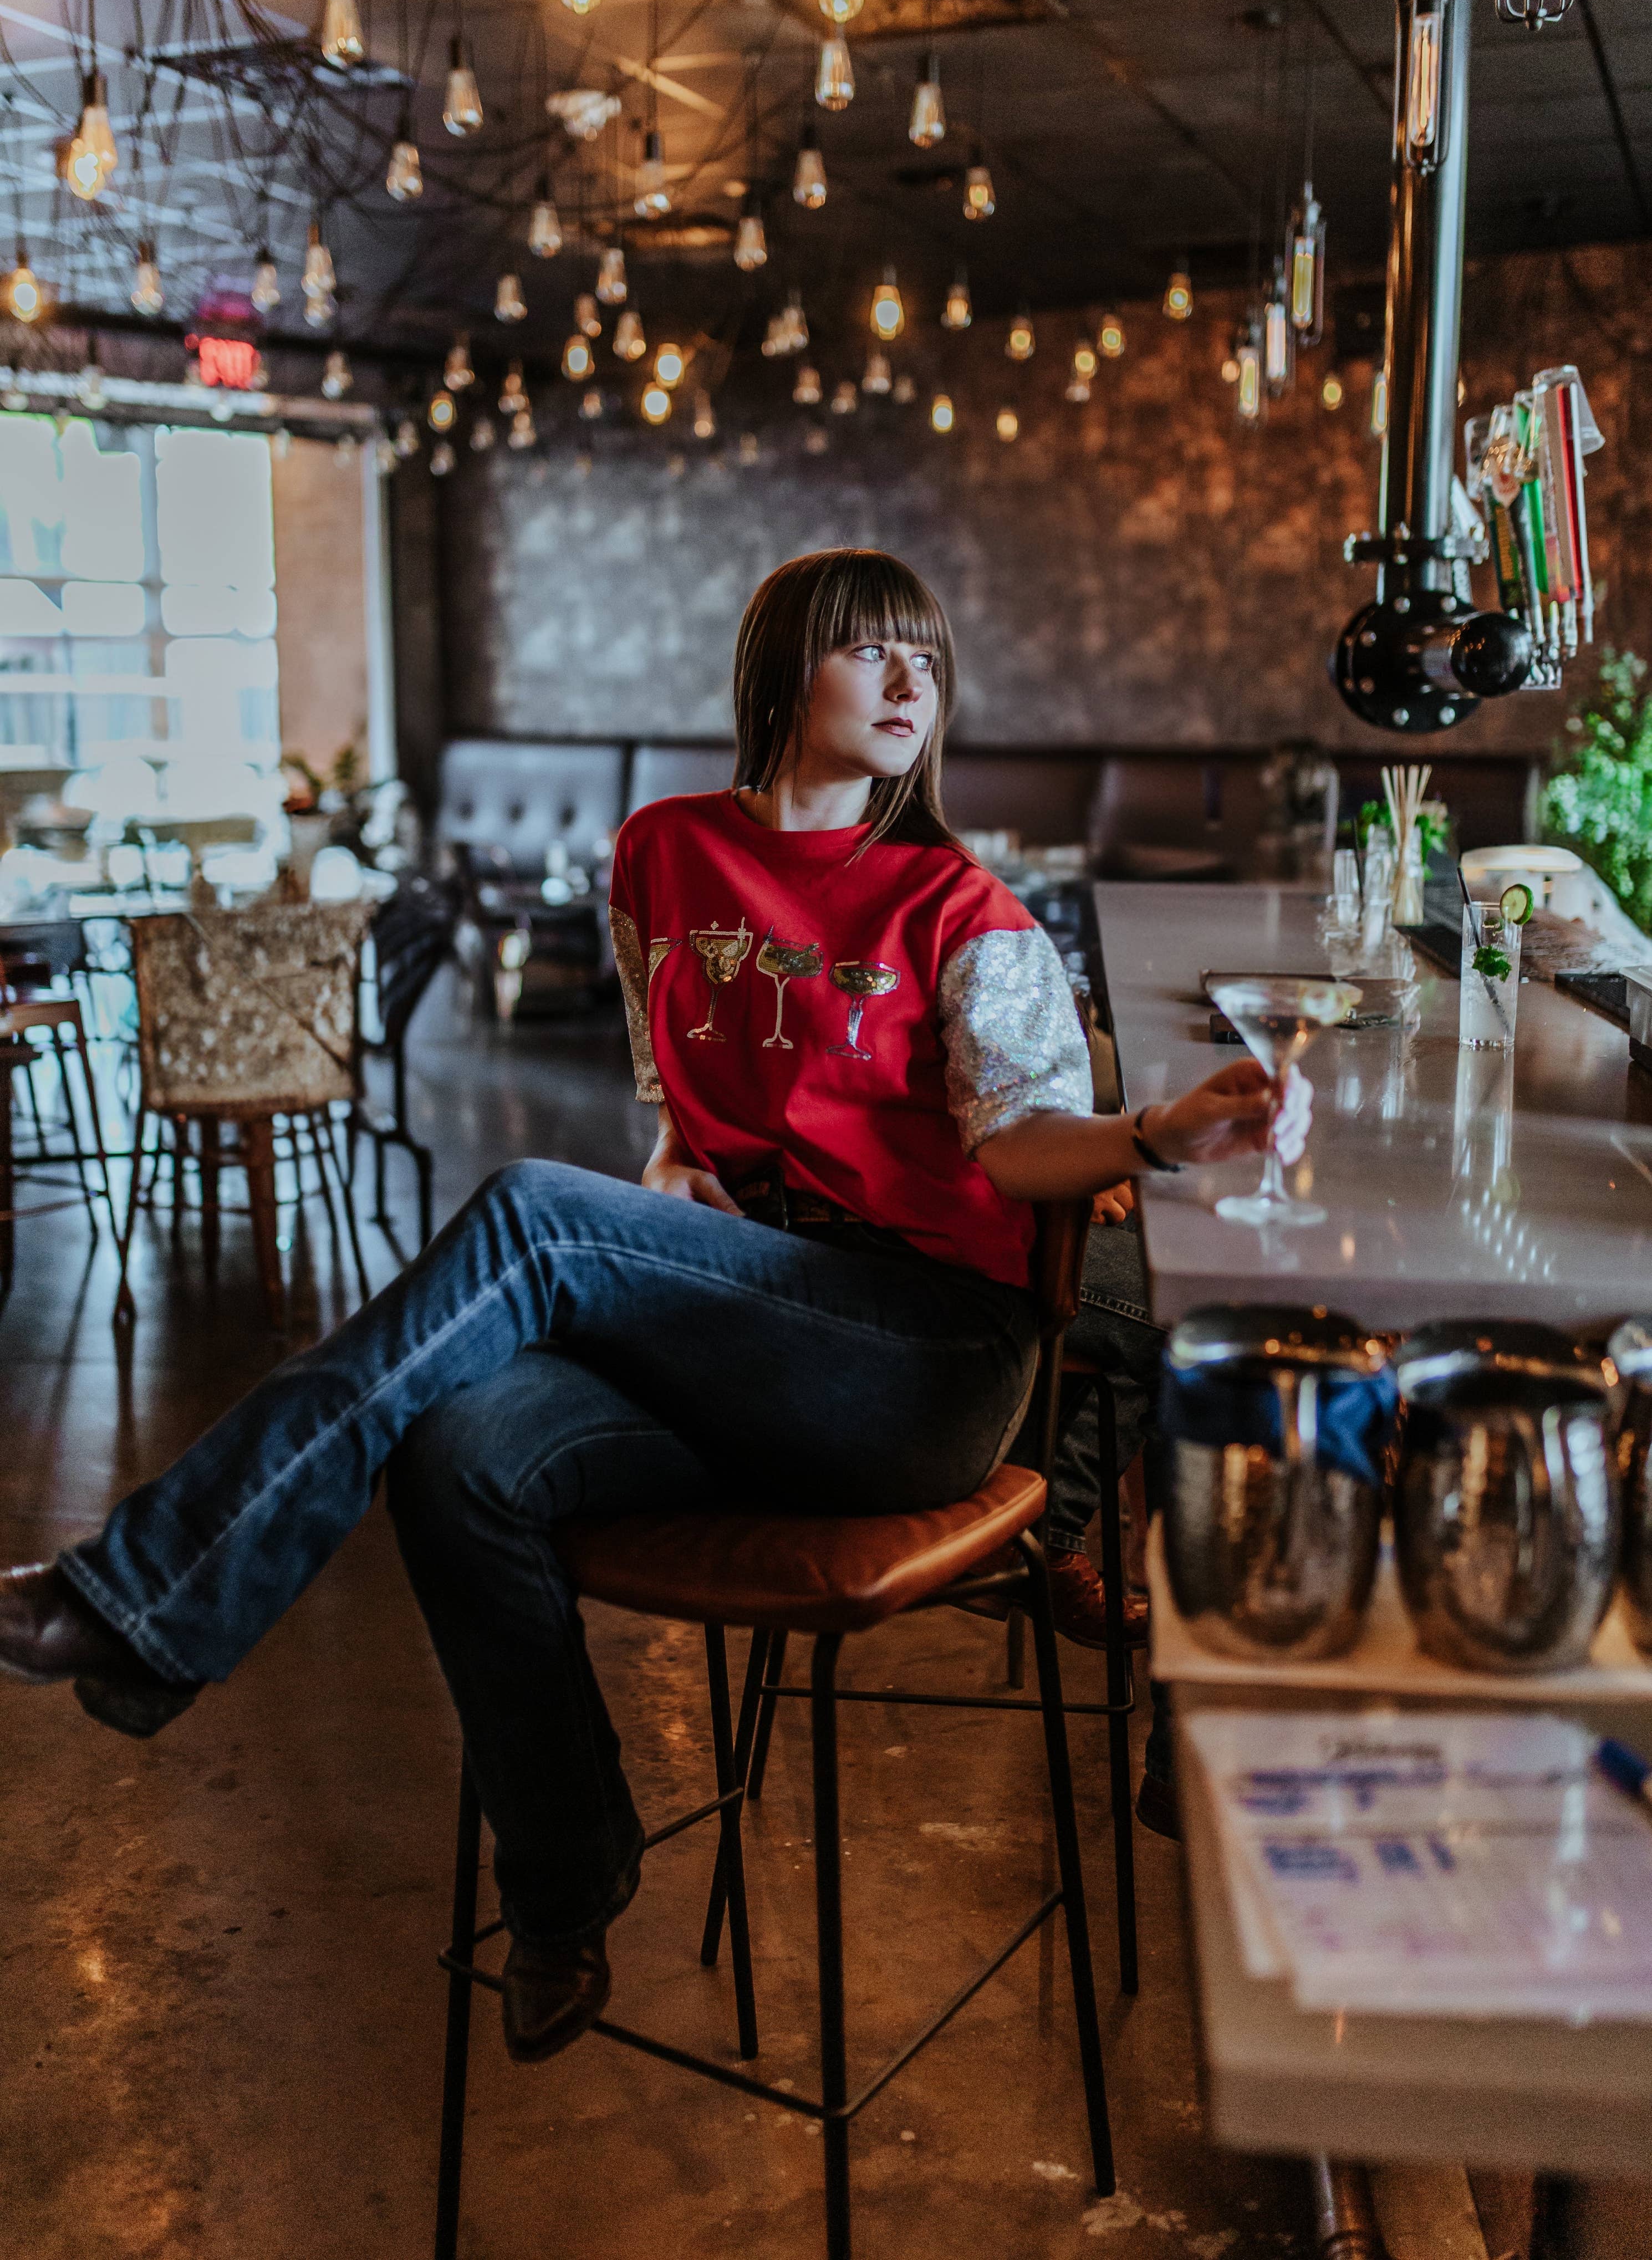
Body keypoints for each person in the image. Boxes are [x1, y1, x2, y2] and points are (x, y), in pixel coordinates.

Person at [0, 548, 1307, 2067]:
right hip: (739, 1322)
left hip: (918, 1366)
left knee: (528, 1214)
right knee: (459, 1455)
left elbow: (1016, 1151)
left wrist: (1155, 1135)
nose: (908, 685)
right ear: (778, 673)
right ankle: (563, 1884)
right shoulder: (660, 857)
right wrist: (678, 1161)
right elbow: (681, 1101)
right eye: (871, 651)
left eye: (927, 663)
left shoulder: (963, 907)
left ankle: (143, 1594)